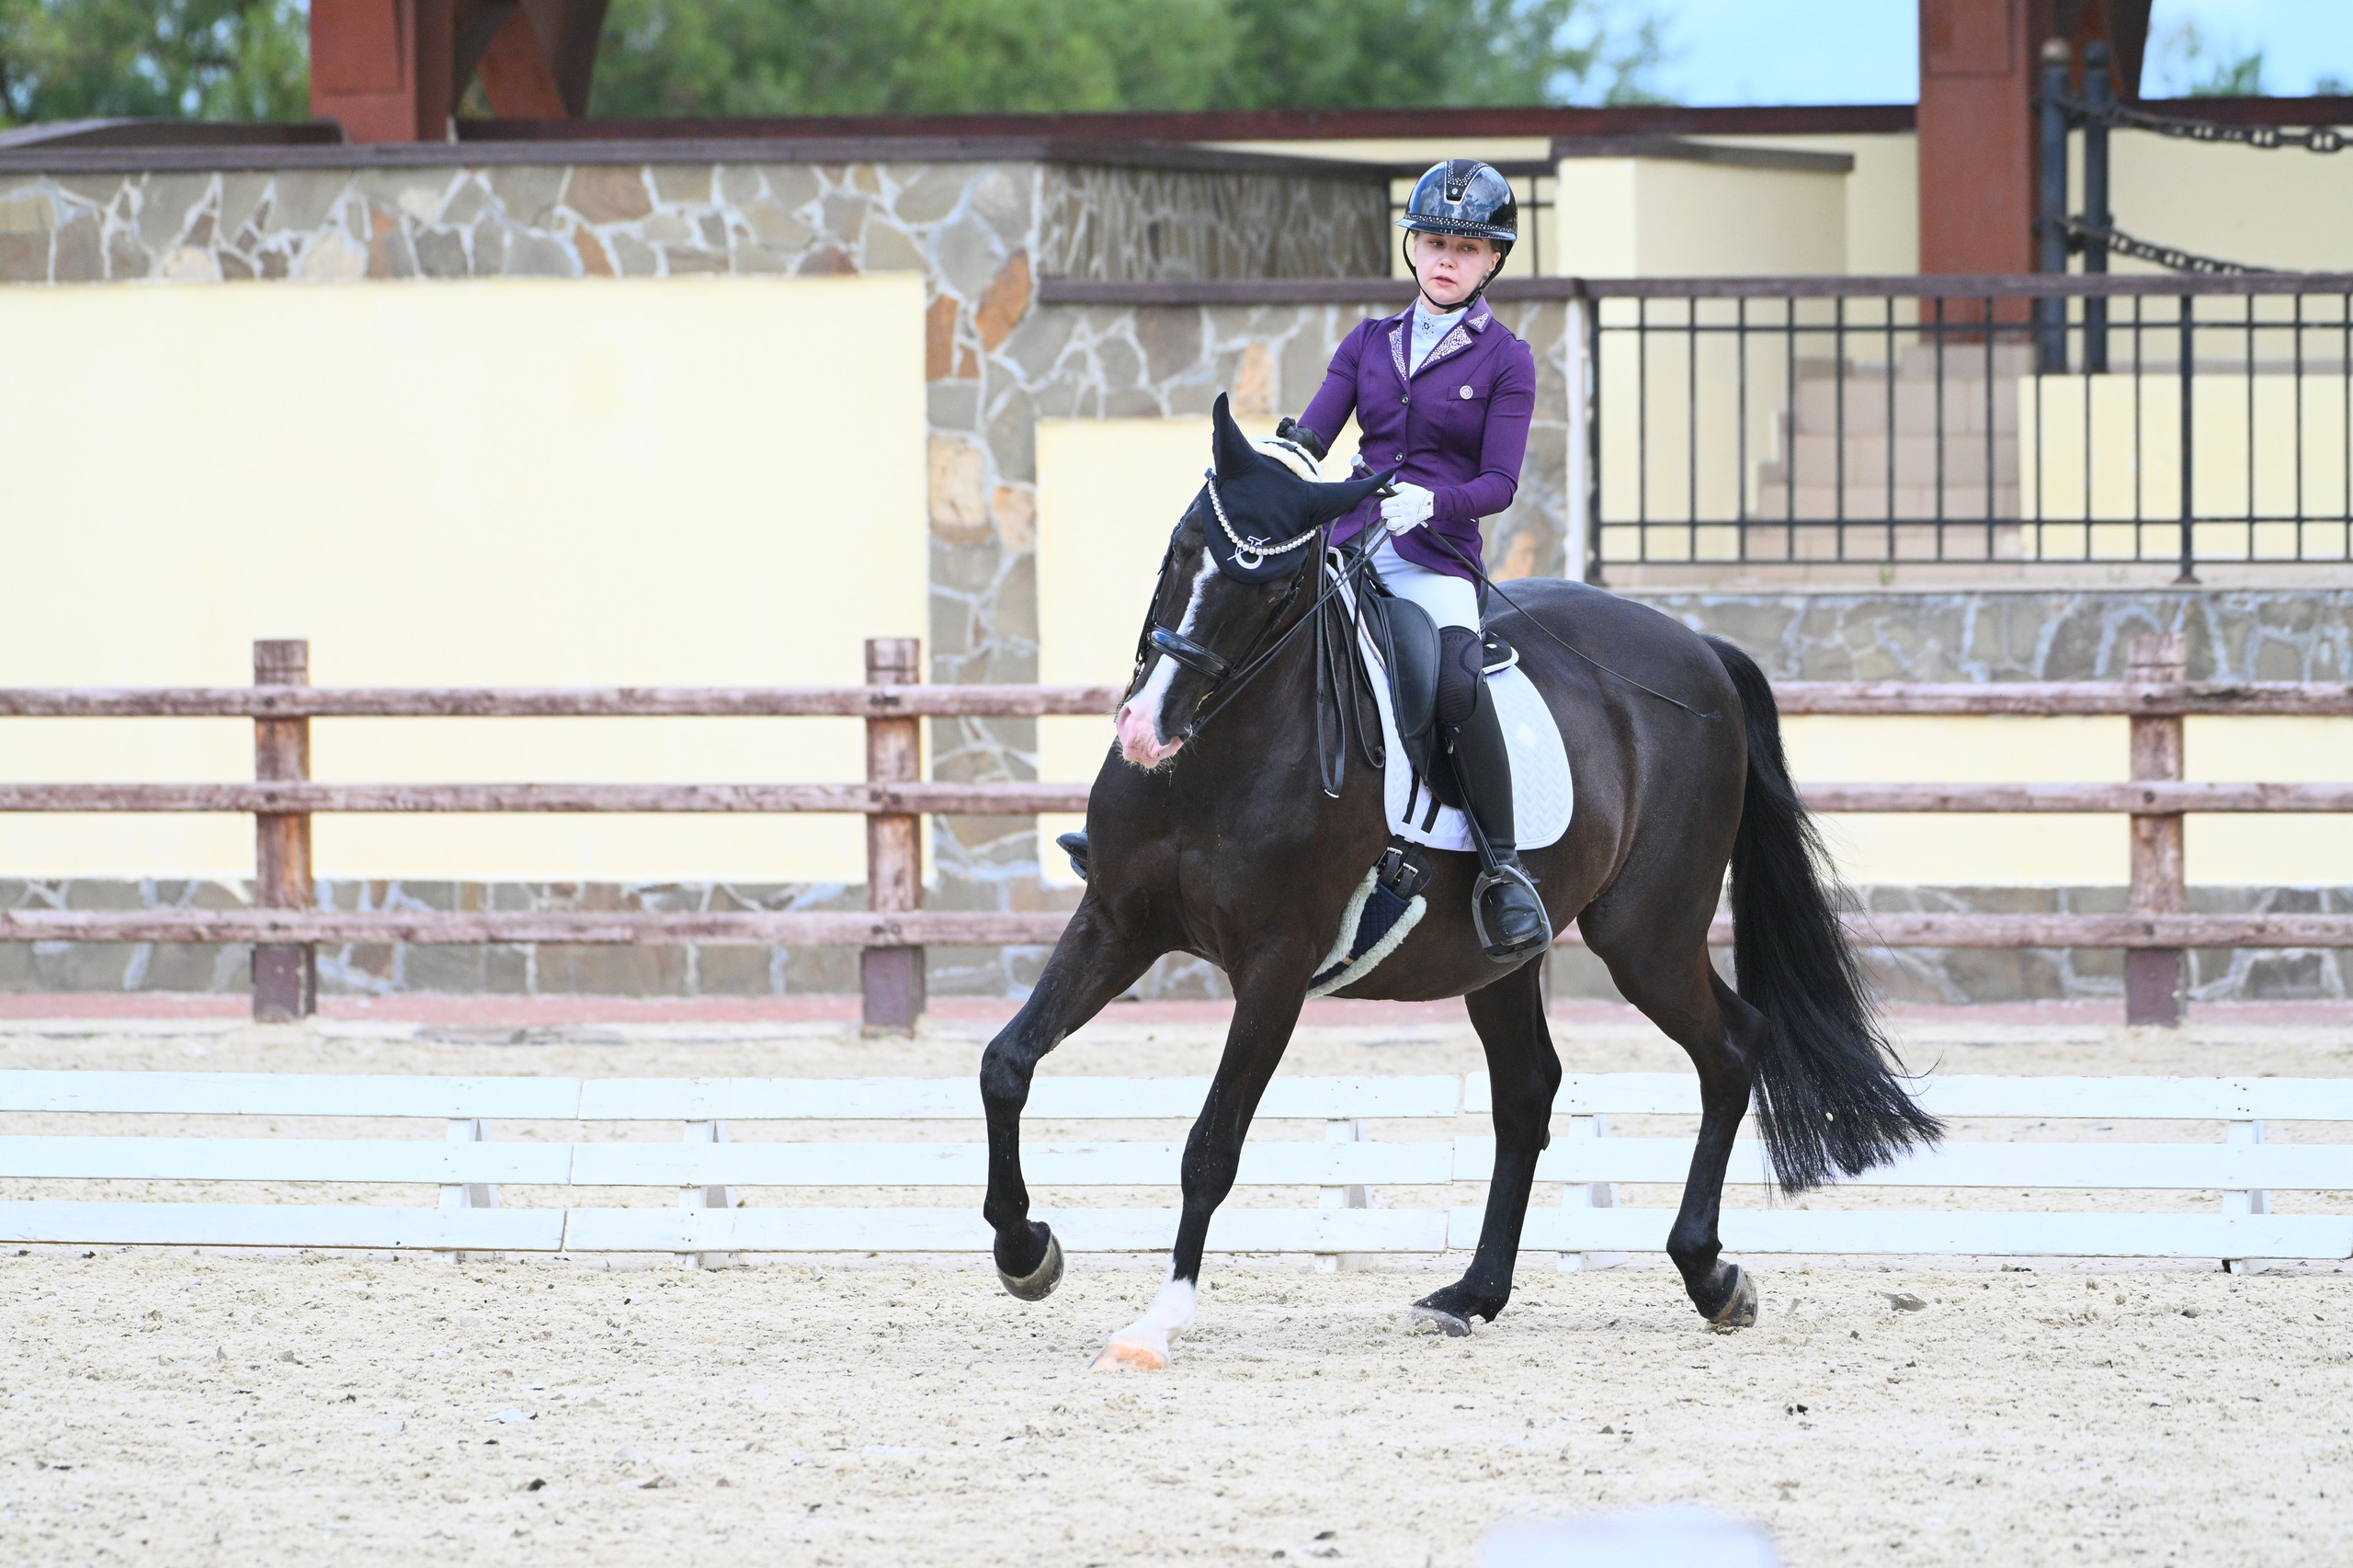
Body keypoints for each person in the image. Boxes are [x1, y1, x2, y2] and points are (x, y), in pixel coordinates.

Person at [1277, 157, 1550, 962]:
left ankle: (1503, 871)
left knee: (1458, 681)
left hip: (1434, 560)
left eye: (1465, 249)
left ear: (1493, 258)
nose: (1445, 259)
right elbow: (1313, 438)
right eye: (1432, 241)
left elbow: (1499, 482)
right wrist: (1274, 457)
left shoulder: (1507, 358)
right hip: (1346, 550)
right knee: (1237, 629)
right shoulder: (1367, 343)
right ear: (1412, 247)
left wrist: (1434, 502)